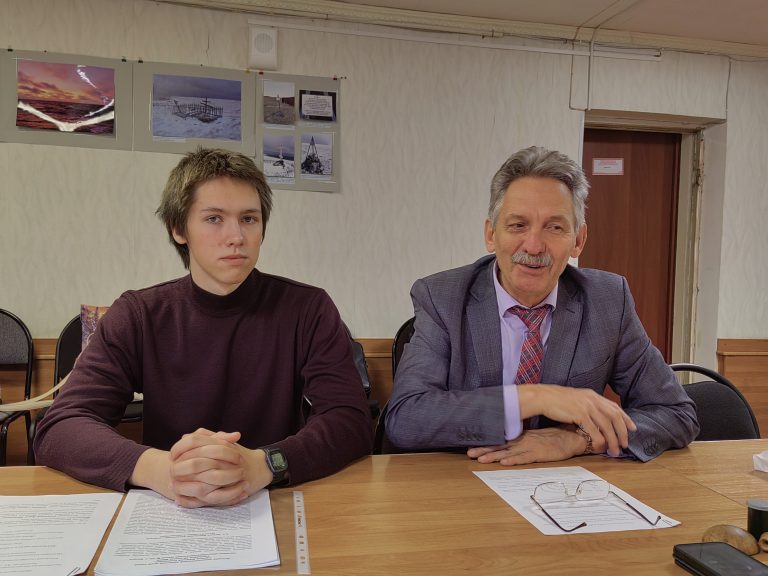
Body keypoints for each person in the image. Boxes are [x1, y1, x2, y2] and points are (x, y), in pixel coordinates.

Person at [35, 148, 373, 507]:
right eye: (214, 219)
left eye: (249, 219)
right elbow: (61, 426)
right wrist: (160, 469)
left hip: (273, 500)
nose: (236, 236)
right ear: (179, 229)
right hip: (171, 506)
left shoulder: (308, 309)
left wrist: (267, 463)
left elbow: (350, 419)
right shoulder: (138, 314)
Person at [385, 145, 698, 464]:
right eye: (518, 225)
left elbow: (675, 413)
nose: (534, 246)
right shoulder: (442, 297)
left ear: (578, 240)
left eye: (554, 227)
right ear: (491, 235)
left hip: (568, 485)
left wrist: (578, 441)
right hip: (464, 478)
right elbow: (406, 419)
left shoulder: (607, 300)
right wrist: (533, 398)